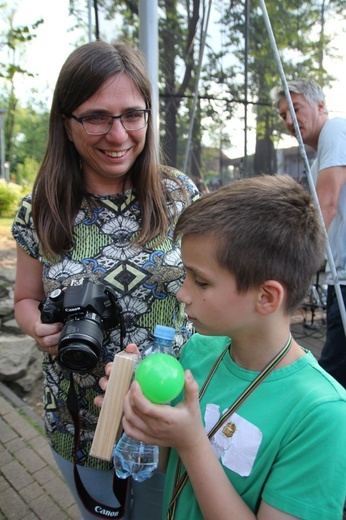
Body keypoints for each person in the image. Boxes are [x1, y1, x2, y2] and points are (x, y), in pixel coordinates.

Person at [11, 40, 199, 519]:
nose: (118, 135)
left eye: (132, 115)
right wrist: (38, 328)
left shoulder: (180, 195)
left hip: (171, 415)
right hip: (79, 418)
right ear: (66, 124)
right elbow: (26, 298)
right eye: (96, 117)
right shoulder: (42, 209)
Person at [97, 174, 346, 519]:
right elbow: (169, 466)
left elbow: (191, 447)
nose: (182, 293)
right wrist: (144, 408)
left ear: (266, 297)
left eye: (201, 281)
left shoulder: (323, 415)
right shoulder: (199, 352)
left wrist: (192, 441)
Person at [271, 78, 346, 388]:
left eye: (295, 109)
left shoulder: (336, 130)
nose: (289, 121)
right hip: (339, 277)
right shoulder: (320, 159)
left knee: (333, 370)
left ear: (320, 106)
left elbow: (326, 204)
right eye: (282, 115)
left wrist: (296, 268)